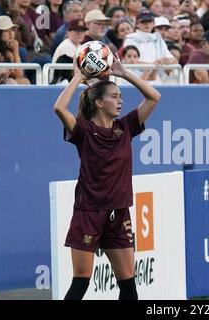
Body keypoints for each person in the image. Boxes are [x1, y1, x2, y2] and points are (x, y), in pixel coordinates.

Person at [53, 57, 161, 300]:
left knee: (129, 286)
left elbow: (154, 97)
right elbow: (59, 108)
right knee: (81, 281)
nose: (120, 100)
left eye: (120, 95)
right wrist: (78, 77)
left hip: (119, 213)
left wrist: (124, 73)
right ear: (99, 103)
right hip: (88, 213)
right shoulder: (82, 131)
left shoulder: (126, 127)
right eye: (114, 96)